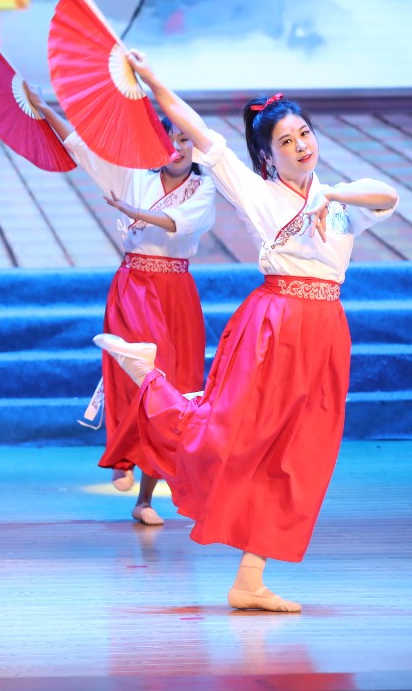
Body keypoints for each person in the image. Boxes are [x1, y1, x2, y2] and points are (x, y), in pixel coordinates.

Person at [95, 56, 397, 612]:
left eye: (304, 133)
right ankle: (150, 380)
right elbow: (199, 133)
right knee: (229, 437)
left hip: (327, 331)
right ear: (267, 156)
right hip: (275, 325)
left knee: (302, 456)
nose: (301, 145)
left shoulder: (337, 200)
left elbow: (388, 197)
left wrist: (333, 197)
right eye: (286, 141)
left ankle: (250, 579)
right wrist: (155, 81)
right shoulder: (259, 193)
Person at [27, 87, 215, 525]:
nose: (176, 147)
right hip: (133, 286)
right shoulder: (135, 176)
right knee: (138, 373)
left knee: (172, 384)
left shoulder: (204, 189)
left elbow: (177, 223)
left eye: (184, 139)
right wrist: (46, 109)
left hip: (176, 291)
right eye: (167, 139)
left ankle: (146, 498)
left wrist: (133, 210)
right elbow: (82, 148)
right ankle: (122, 456)